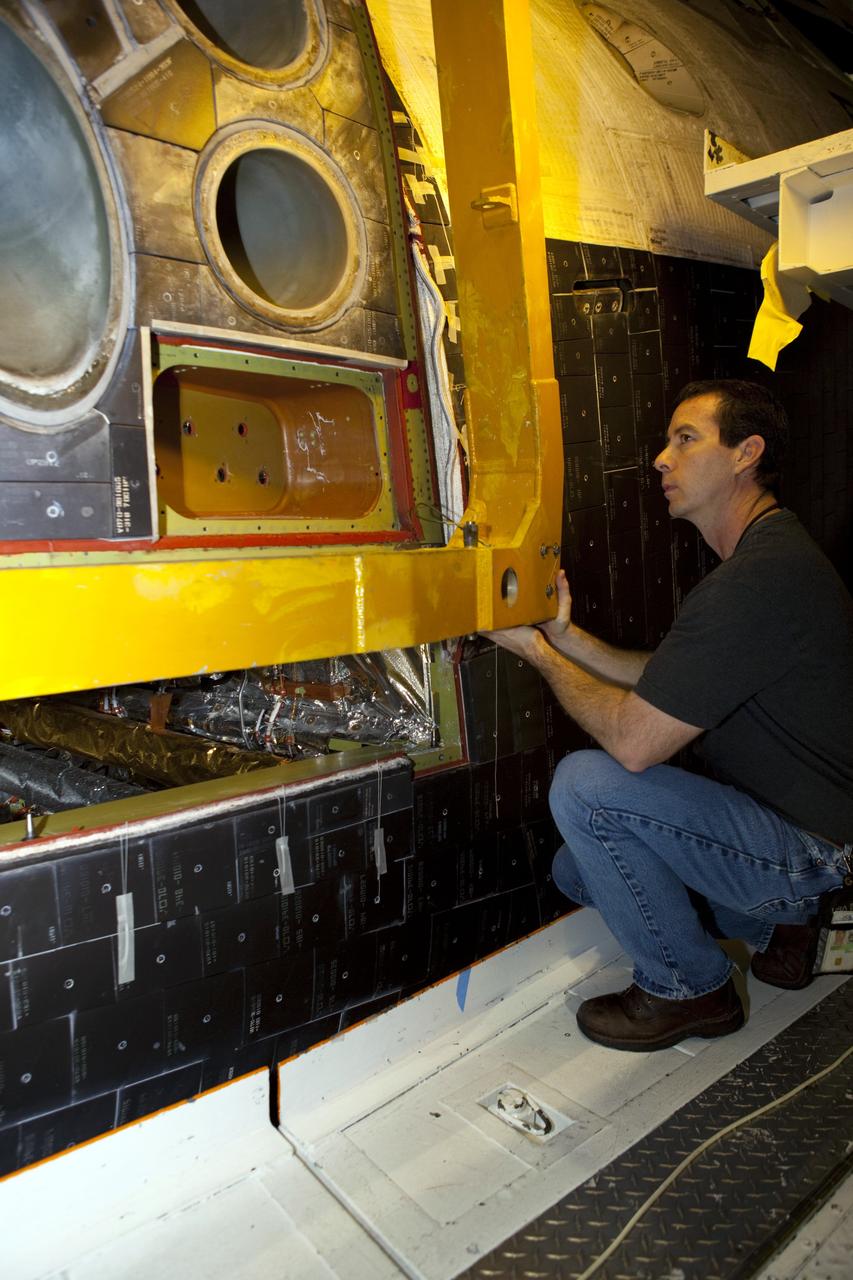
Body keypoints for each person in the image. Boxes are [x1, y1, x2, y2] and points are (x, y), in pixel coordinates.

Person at [487, 379, 853, 1051]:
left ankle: (691, 990)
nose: (661, 458)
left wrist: (536, 654)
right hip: (799, 831)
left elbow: (634, 743)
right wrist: (566, 638)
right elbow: (670, 679)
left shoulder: (756, 581)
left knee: (585, 785)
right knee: (576, 870)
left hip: (817, 851)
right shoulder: (771, 558)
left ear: (745, 453)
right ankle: (785, 928)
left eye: (685, 440)